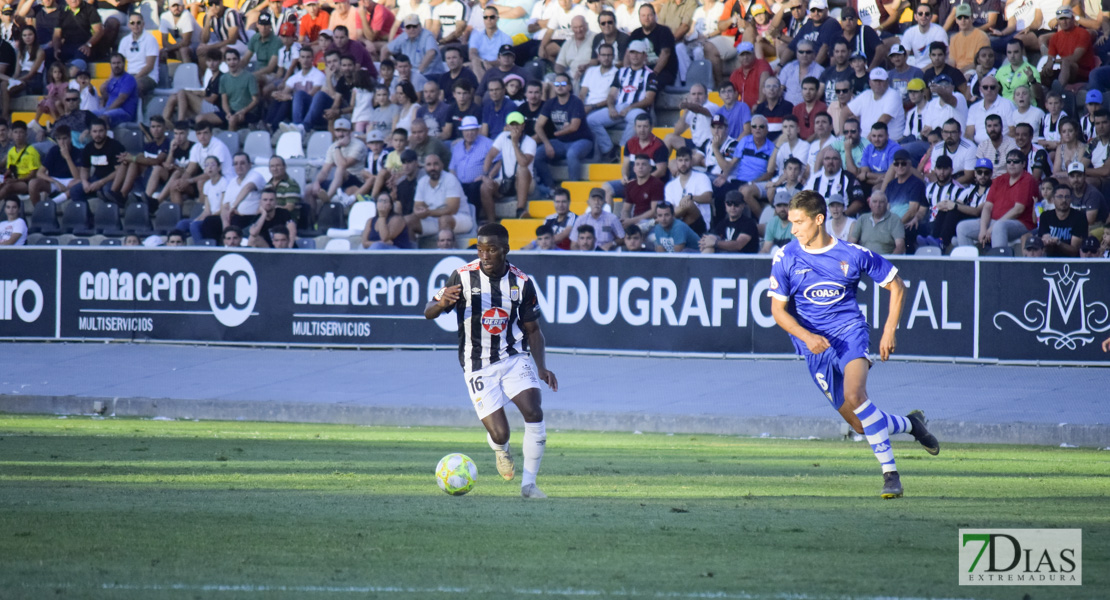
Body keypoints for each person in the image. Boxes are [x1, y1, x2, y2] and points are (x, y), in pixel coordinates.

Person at [769, 189, 935, 499]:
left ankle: (891, 475)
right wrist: (807, 337)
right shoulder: (786, 256)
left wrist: (889, 331)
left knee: (856, 394)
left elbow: (897, 287)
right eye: (791, 222)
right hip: (813, 348)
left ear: (819, 220)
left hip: (849, 333)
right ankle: (912, 425)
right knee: (861, 426)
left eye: (799, 222)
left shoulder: (852, 254)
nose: (793, 230)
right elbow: (777, 311)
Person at [424, 222, 556, 499]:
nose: (484, 255)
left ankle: (529, 485)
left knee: (534, 410)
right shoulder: (462, 277)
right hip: (476, 364)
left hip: (513, 356)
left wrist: (541, 367)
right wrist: (441, 303)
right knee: (500, 433)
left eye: (491, 250)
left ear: (505, 250)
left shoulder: (521, 283)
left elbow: (533, 330)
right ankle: (501, 450)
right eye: (480, 249)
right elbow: (428, 311)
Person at [586, 39, 657, 158]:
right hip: (619, 107)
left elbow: (649, 99)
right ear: (628, 54)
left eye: (638, 53)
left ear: (644, 55)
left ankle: (623, 149)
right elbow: (612, 94)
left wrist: (630, 108)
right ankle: (608, 150)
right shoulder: (621, 72)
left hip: (638, 109)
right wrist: (611, 107)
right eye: (632, 52)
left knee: (637, 120)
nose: (634, 56)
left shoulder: (650, 74)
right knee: (591, 120)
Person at [960, 149, 1037, 248]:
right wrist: (983, 230)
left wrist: (992, 228)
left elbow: (1018, 209)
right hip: (995, 221)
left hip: (1022, 223)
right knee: (962, 227)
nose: (1012, 164)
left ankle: (999, 262)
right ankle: (970, 262)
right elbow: (987, 207)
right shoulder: (999, 180)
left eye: (1016, 161)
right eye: (1009, 161)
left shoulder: (1027, 180)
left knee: (999, 227)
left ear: (1023, 164)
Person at [533, 72, 593, 194]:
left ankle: (573, 189)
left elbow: (574, 127)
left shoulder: (576, 102)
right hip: (560, 142)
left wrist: (556, 134)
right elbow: (538, 126)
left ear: (569, 87)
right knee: (538, 154)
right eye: (557, 84)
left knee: (571, 154)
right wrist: (547, 143)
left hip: (581, 140)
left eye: (563, 83)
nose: (559, 86)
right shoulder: (550, 103)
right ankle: (552, 187)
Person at [480, 111, 536, 221]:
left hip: (526, 182)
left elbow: (523, 163)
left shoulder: (530, 142)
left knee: (522, 170)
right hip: (505, 181)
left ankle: (520, 209)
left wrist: (515, 143)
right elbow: (490, 155)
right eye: (512, 124)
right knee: (484, 188)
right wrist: (486, 176)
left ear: (523, 126)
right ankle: (492, 222)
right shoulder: (503, 137)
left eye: (517, 124)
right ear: (507, 126)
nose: (515, 127)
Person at [412, 152, 472, 237]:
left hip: (459, 217)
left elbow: (452, 210)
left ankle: (446, 249)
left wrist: (428, 212)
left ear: (442, 165)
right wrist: (419, 212)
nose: (432, 168)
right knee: (409, 220)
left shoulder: (450, 179)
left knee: (444, 220)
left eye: (436, 164)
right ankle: (411, 249)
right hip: (433, 220)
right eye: (429, 165)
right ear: (425, 167)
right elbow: (417, 206)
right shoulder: (422, 182)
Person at [1042, 8, 1094, 88]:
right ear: (1058, 21)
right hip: (1066, 69)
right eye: (1061, 19)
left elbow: (1075, 58)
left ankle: (1059, 90)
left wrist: (1054, 61)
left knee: (1066, 62)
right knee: (1045, 68)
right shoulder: (1055, 37)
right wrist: (1049, 64)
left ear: (1072, 19)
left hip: (1084, 71)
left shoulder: (1083, 33)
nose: (1064, 21)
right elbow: (1050, 58)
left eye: (1067, 18)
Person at [77, 117, 126, 203]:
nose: (98, 135)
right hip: (96, 178)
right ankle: (86, 214)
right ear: (90, 133)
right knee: (75, 191)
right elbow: (84, 169)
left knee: (106, 191)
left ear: (106, 131)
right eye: (95, 132)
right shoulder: (88, 148)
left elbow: (119, 171)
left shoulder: (115, 146)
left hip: (111, 179)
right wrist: (84, 182)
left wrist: (101, 182)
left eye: (101, 131)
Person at [629, 3, 676, 87]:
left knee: (649, 84)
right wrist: (627, 72)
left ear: (655, 16)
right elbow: (627, 54)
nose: (646, 18)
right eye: (643, 15)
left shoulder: (664, 31)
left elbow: (665, 54)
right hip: (641, 71)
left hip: (662, 72)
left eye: (649, 15)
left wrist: (654, 73)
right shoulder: (636, 33)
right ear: (639, 17)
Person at [1037, 181, 1087, 257]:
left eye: (1067, 197)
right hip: (1050, 259)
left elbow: (1074, 250)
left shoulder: (1080, 217)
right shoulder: (1045, 216)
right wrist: (1048, 242)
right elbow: (1045, 244)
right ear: (1053, 199)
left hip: (1073, 261)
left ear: (1071, 199)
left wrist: (1058, 243)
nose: (1064, 200)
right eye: (1060, 197)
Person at [849, 190, 905, 255]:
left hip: (885, 260)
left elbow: (900, 246)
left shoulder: (895, 220)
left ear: (886, 204)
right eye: (874, 202)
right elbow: (851, 242)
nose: (877, 205)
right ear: (870, 204)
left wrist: (889, 262)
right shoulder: (862, 219)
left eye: (881, 202)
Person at [118, 12, 159, 97]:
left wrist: (132, 79)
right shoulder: (124, 40)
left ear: (143, 24)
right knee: (106, 87)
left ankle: (128, 110)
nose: (135, 25)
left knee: (134, 86)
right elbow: (118, 62)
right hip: (130, 75)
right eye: (132, 23)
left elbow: (149, 66)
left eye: (138, 23)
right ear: (129, 25)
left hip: (148, 76)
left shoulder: (150, 39)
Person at [92, 53, 138, 127]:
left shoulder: (129, 79)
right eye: (113, 63)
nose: (116, 66)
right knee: (89, 115)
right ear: (110, 65)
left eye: (118, 63)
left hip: (124, 112)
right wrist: (104, 88)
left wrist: (107, 110)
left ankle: (106, 138)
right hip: (109, 109)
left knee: (103, 117)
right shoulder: (112, 79)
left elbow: (121, 99)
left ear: (124, 64)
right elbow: (106, 96)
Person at [0, 121, 40, 201]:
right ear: (12, 134)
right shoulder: (11, 151)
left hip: (26, 182)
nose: (18, 135)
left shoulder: (32, 151)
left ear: (26, 134)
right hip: (14, 179)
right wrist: (5, 179)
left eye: (21, 132)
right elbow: (9, 169)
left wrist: (16, 180)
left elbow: (33, 174)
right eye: (15, 132)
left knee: (8, 187)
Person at [899, 3, 948, 69]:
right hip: (917, 68)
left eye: (927, 14)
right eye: (920, 13)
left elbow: (940, 59)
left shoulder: (939, 31)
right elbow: (904, 56)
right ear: (915, 17)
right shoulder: (909, 32)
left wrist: (921, 72)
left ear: (931, 17)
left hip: (936, 69)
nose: (923, 16)